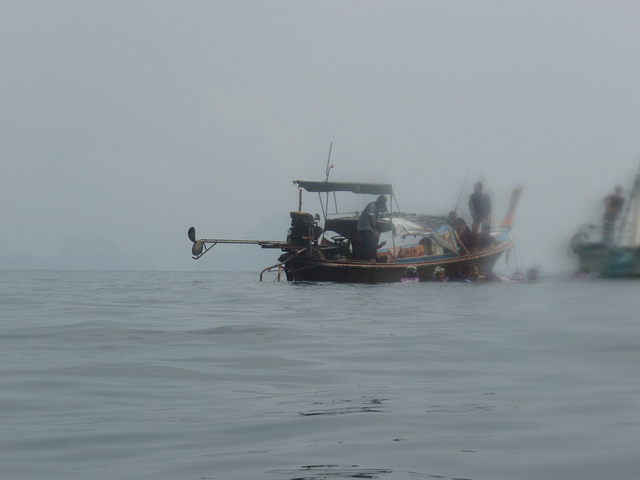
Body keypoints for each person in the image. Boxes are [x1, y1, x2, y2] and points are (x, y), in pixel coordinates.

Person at [356, 195, 387, 260]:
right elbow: (371, 218)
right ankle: (365, 258)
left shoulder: (378, 208)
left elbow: (385, 211)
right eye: (383, 203)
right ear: (380, 202)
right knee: (370, 239)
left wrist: (385, 205)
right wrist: (375, 230)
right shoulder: (372, 206)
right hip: (364, 227)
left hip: (369, 228)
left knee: (373, 240)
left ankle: (372, 256)